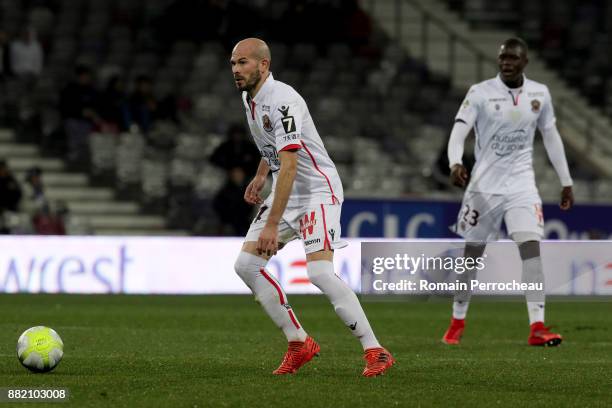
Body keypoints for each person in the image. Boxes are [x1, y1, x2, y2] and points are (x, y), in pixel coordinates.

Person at [230, 38, 394, 376]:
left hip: (317, 191)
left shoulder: (283, 100)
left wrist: (273, 224)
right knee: (246, 265)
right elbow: (272, 148)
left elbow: (290, 165)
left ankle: (375, 350)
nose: (235, 70)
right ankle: (299, 342)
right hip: (285, 189)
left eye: (242, 63)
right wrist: (261, 176)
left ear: (263, 65)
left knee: (319, 272)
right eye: (233, 63)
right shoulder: (250, 98)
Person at [443, 38, 574, 346]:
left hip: (521, 186)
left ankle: (537, 326)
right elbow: (459, 130)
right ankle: (457, 320)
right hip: (483, 187)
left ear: (524, 61)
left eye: (513, 58)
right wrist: (455, 162)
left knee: (531, 248)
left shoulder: (539, 94)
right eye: (502, 58)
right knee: (471, 257)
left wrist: (565, 181)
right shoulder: (480, 92)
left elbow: (551, 137)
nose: (506, 62)